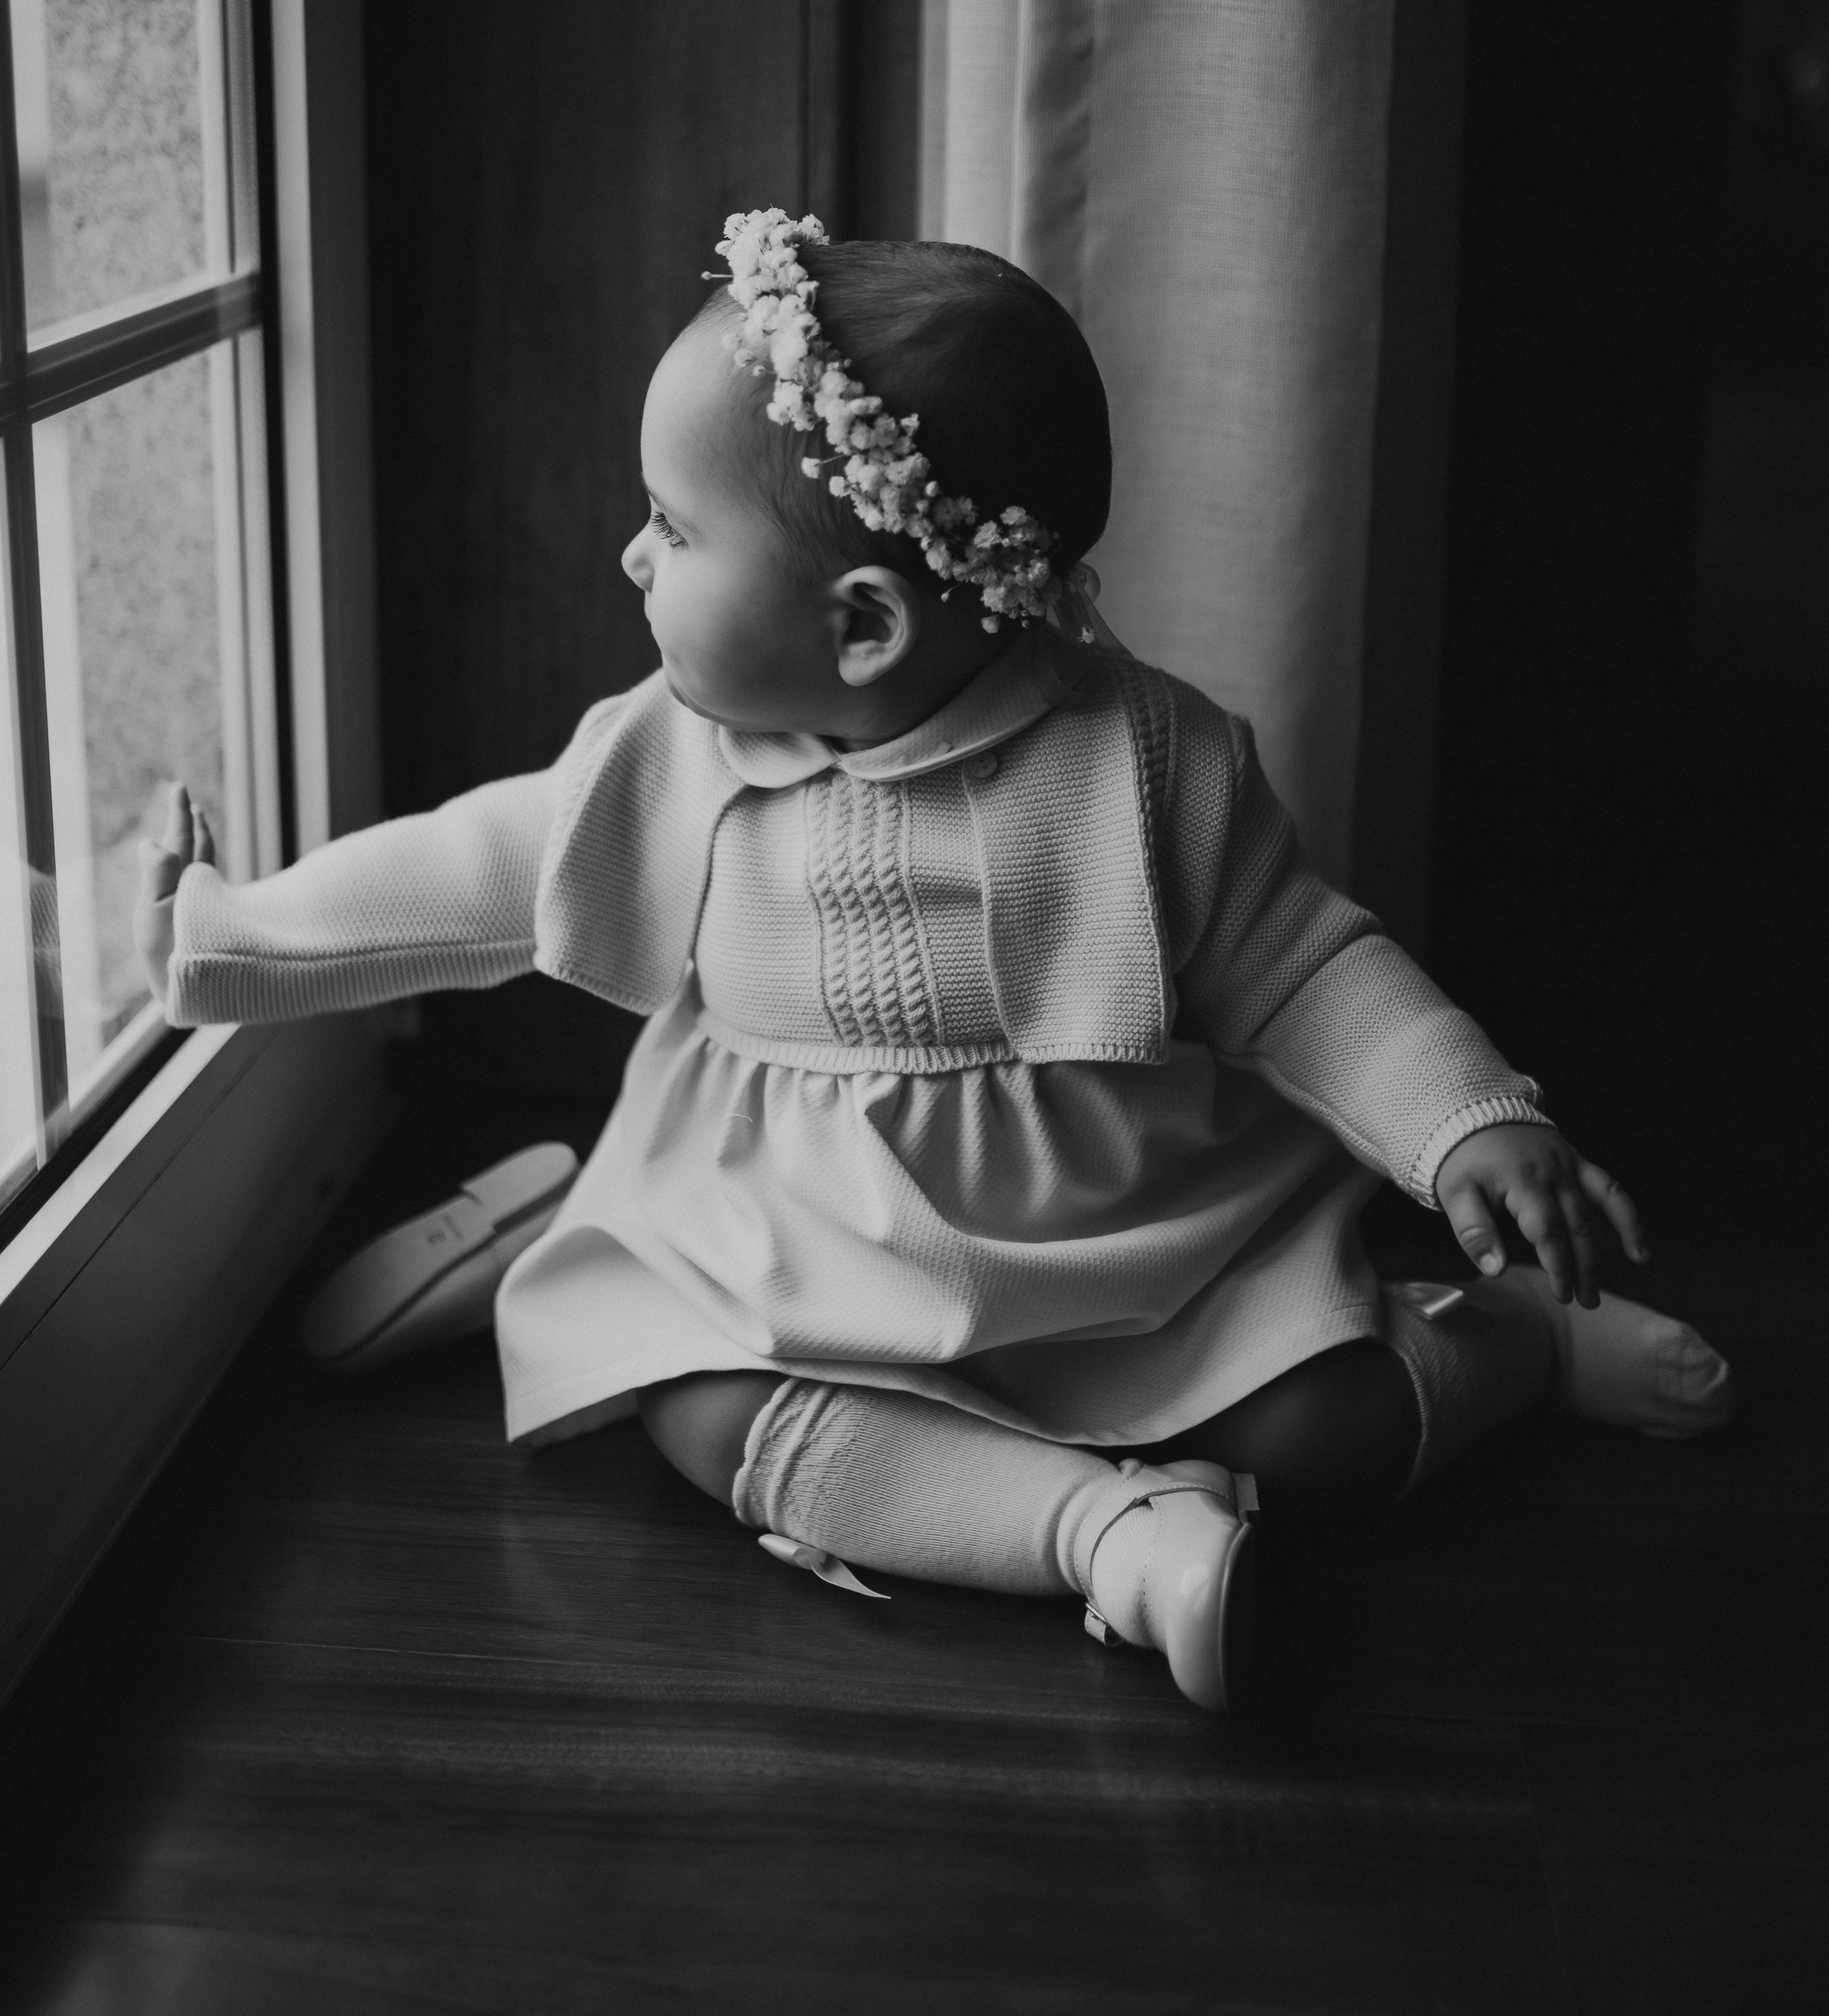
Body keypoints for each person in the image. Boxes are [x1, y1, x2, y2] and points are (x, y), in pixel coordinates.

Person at [135, 214, 1733, 1713]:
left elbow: (1309, 970)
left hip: (1102, 1253)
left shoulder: (1142, 761)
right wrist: (231, 938)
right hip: (777, 1237)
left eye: (671, 526)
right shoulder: (670, 759)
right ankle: (1107, 1544)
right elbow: (463, 871)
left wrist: (1467, 1117)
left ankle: (1509, 1339)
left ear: (862, 627)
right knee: (698, 1412)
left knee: (1328, 1426)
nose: (630, 556)